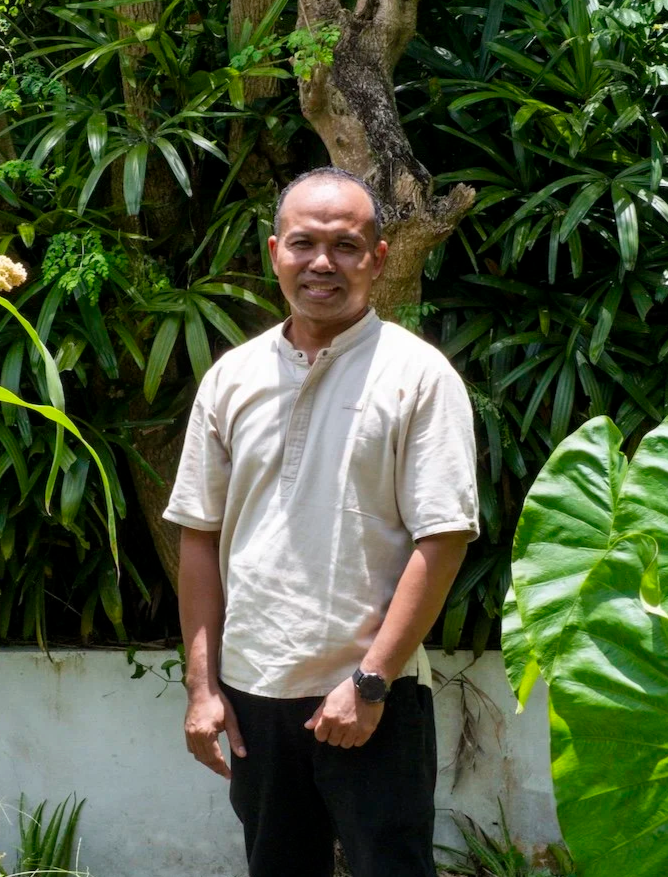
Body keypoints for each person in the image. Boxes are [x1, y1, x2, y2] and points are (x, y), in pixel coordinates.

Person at [163, 166, 479, 877]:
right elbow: (200, 536)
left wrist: (368, 683)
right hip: (255, 696)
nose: (321, 263)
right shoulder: (231, 378)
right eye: (304, 243)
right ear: (274, 251)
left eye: (344, 244)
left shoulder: (418, 377)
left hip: (374, 694)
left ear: (378, 257)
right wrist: (203, 686)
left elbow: (443, 540)